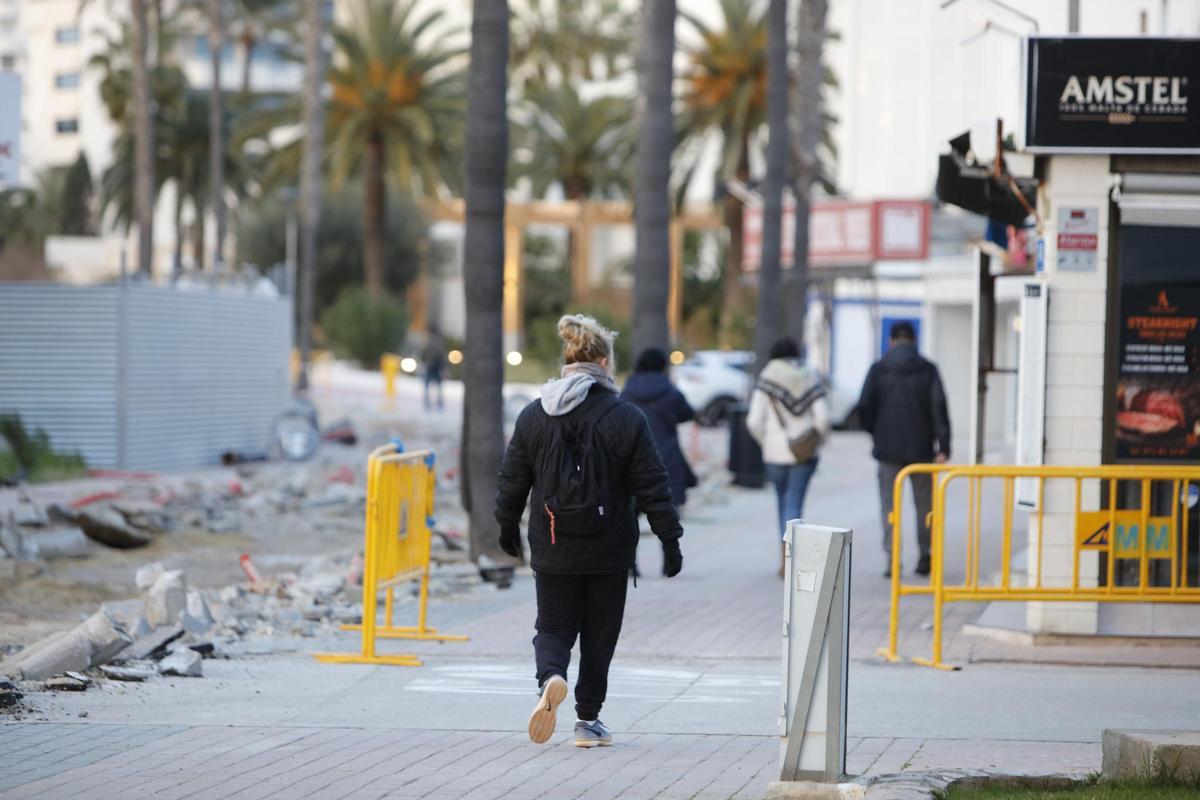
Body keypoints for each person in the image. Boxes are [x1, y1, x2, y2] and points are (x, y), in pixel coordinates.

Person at [495, 314, 684, 749]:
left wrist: (507, 526)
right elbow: (652, 484)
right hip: (609, 547)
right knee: (599, 635)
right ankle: (587, 720)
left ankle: (552, 675)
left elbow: (512, 479)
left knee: (553, 627)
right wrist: (669, 540)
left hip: (553, 540)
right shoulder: (626, 417)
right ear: (602, 361)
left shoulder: (533, 415)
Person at [855, 321, 951, 578]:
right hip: (921, 451)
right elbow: (939, 407)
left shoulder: (878, 369)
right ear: (914, 339)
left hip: (887, 451)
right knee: (924, 506)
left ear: (891, 340)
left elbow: (863, 407)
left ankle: (892, 560)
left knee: (889, 506)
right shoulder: (928, 369)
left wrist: (875, 433)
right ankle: (924, 556)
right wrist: (944, 446)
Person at [746, 337, 831, 578]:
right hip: (804, 453)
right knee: (794, 504)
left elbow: (753, 421)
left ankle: (784, 556)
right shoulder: (809, 374)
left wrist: (766, 441)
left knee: (782, 504)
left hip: (774, 453)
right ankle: (790, 559)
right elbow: (823, 418)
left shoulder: (767, 377)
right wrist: (819, 441)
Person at [621, 348, 696, 508]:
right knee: (670, 507)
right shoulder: (670, 392)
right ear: (663, 366)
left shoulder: (626, 394)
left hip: (635, 456)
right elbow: (688, 414)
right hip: (667, 454)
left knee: (633, 504)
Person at [421, 329, 446, 411]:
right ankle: (437, 401)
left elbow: (424, 356)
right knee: (436, 387)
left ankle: (432, 401)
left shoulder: (430, 345)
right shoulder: (438, 346)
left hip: (432, 368)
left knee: (429, 386)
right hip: (434, 369)